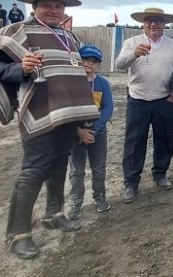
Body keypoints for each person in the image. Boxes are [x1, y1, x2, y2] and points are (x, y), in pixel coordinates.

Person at [0, 0, 99, 259]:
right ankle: (17, 235)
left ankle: (54, 214)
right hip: (39, 110)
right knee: (34, 170)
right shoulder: (18, 31)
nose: (54, 10)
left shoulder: (69, 36)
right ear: (34, 6)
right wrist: (20, 68)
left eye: (58, 6)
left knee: (59, 163)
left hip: (67, 113)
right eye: (47, 5)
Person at [115, 7, 173, 203]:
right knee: (134, 142)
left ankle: (160, 173)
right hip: (138, 99)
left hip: (164, 100)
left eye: (158, 21)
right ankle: (131, 182)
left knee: (164, 139)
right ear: (143, 24)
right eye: (149, 21)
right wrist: (134, 54)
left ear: (165, 24)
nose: (154, 24)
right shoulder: (131, 43)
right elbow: (119, 65)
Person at [67, 45, 114, 220]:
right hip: (74, 134)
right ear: (79, 60)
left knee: (99, 168)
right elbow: (66, 109)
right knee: (77, 171)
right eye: (86, 59)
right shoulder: (70, 82)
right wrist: (79, 131)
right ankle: (76, 202)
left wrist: (93, 130)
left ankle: (99, 197)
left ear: (98, 65)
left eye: (94, 61)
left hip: (97, 133)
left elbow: (108, 108)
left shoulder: (102, 83)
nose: (90, 64)